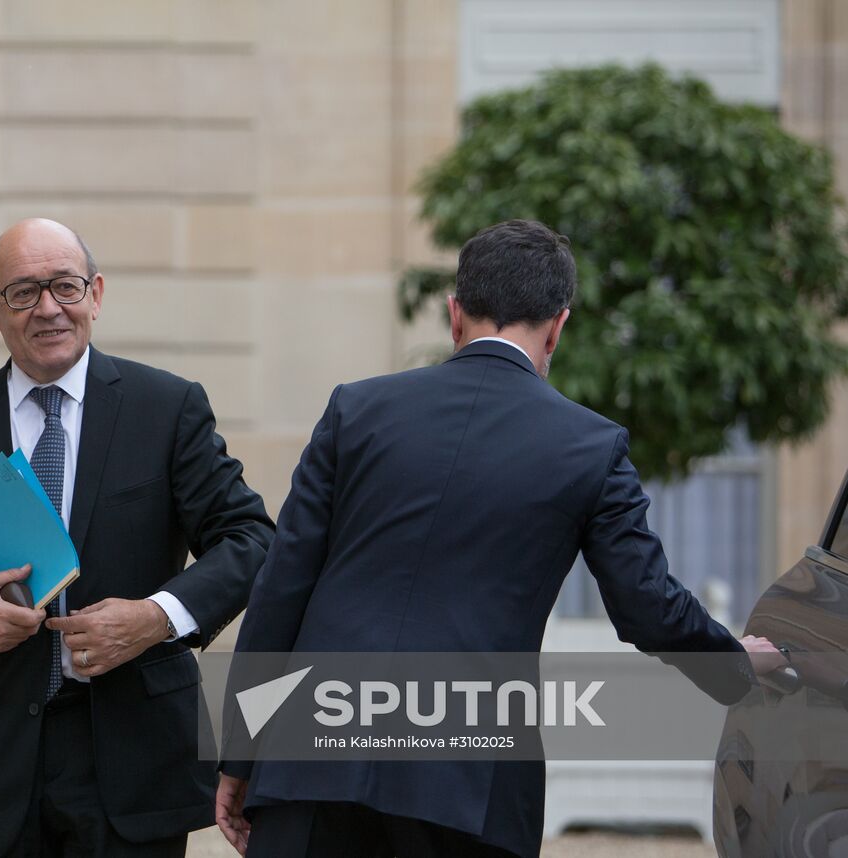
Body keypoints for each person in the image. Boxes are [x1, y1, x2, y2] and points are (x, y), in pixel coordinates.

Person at [214, 219, 784, 858]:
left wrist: (241, 751)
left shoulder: (356, 409)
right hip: (464, 783)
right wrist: (735, 662)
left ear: (454, 314)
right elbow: (646, 604)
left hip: (309, 765)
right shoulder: (592, 446)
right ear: (558, 326)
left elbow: (280, 588)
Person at [0, 217, 275, 857]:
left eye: (65, 286)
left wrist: (155, 617)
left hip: (132, 755)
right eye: (24, 292)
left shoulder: (166, 409)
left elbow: (250, 538)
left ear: (97, 294)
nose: (49, 308)